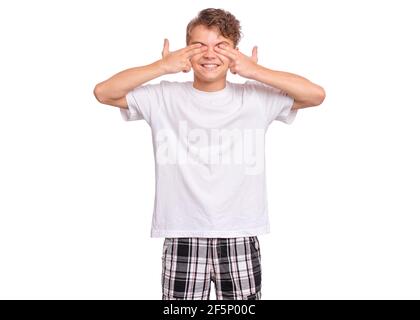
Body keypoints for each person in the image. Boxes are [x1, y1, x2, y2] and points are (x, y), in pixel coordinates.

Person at [93, 8, 325, 300]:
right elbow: (104, 92)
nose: (209, 54)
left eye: (221, 47)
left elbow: (315, 95)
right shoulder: (164, 97)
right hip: (182, 234)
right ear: (186, 52)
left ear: (235, 54)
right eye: (199, 45)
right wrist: (161, 66)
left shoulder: (255, 97)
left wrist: (254, 71)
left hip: (240, 232)